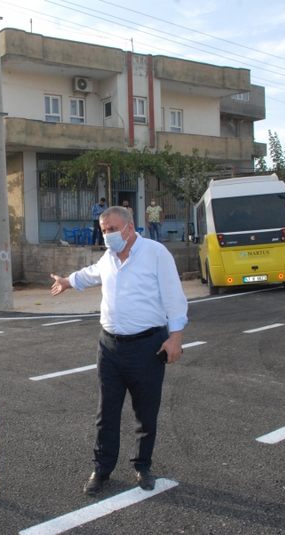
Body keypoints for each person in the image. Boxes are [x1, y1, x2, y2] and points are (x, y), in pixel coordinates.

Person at [49, 206, 187, 496]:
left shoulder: (155, 253)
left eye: (112, 228)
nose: (107, 234)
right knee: (106, 413)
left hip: (148, 346)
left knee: (146, 413)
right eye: (103, 230)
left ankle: (142, 465)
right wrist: (67, 282)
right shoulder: (108, 258)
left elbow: (174, 297)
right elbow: (90, 275)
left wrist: (175, 337)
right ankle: (101, 469)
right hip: (110, 347)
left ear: (129, 226)